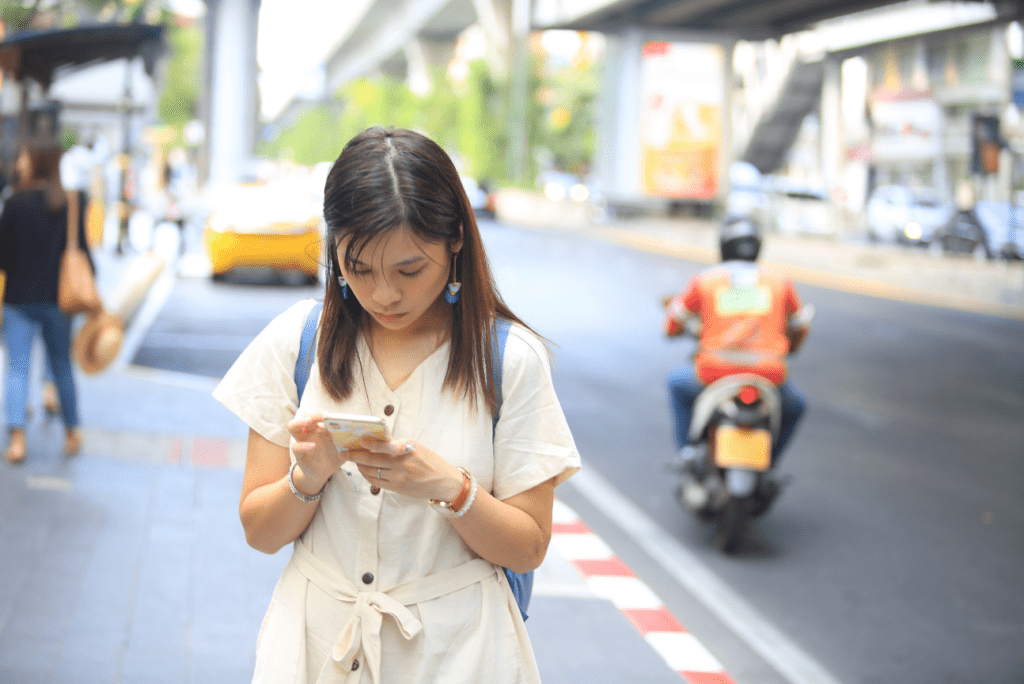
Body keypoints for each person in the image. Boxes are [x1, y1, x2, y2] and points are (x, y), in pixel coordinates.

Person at [213, 126, 580, 684]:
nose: (384, 294)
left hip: (459, 656)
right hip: (315, 650)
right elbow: (260, 534)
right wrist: (305, 478)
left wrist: (449, 488)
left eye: (409, 270)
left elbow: (528, 547)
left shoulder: (508, 360)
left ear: (455, 241)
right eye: (358, 269)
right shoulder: (296, 341)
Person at [664, 217, 811, 471]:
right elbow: (800, 326)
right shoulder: (779, 282)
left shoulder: (705, 281)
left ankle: (687, 452)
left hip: (712, 372)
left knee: (677, 385)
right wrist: (791, 346)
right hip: (769, 375)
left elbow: (673, 323)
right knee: (797, 406)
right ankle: (769, 461)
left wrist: (680, 329)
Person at [0, 140, 90, 463]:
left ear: (36, 162)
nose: (20, 161)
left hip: (18, 299)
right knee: (62, 366)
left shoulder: (15, 203)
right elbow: (84, 254)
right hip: (58, 302)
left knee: (17, 369)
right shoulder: (68, 203)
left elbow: (3, 257)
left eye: (24, 156)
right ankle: (72, 432)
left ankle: (18, 441)